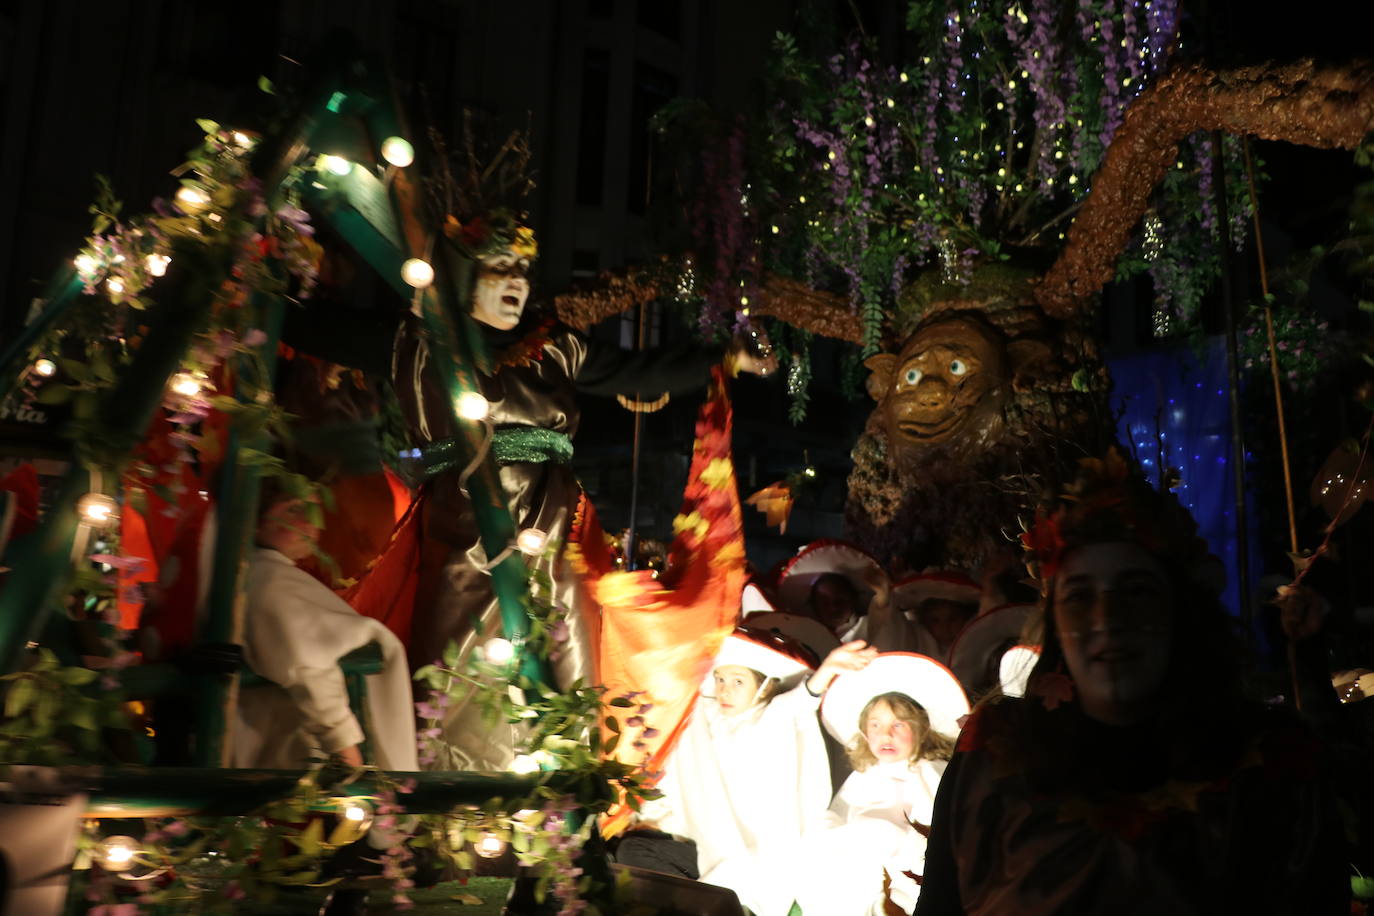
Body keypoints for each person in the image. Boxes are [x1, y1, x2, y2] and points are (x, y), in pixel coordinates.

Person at [916, 448, 1350, 915]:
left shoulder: (1269, 766)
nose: (1106, 619)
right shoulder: (991, 758)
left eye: (1135, 592)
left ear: (1178, 610)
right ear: (1056, 622)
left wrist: (1309, 667)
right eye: (1081, 597)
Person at [634, 628, 877, 916]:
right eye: (720, 679)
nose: (725, 690)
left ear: (763, 687)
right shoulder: (702, 717)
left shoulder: (768, 719)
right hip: (705, 846)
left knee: (737, 890)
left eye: (738, 682)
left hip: (757, 856)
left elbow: (797, 703)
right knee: (633, 852)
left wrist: (828, 669)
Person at [232, 481, 417, 771]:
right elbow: (304, 661)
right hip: (296, 755)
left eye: (313, 508)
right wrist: (343, 744)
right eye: (293, 509)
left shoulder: (262, 572)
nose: (309, 521)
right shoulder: (268, 580)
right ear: (253, 520)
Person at [793, 653, 969, 916]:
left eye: (898, 724)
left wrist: (887, 837)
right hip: (856, 873)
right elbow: (839, 818)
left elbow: (935, 832)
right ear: (863, 731)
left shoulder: (931, 772)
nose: (886, 734)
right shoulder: (865, 775)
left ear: (921, 729)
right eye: (875, 724)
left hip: (906, 877)